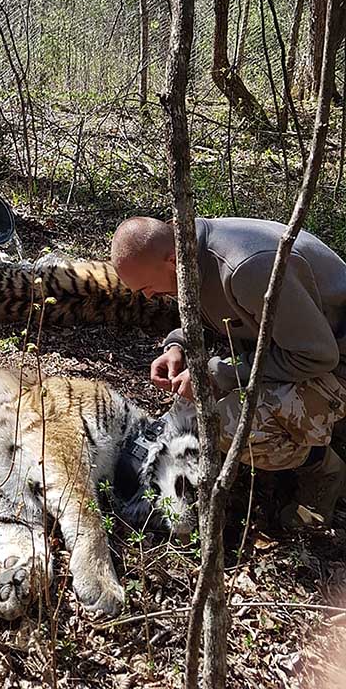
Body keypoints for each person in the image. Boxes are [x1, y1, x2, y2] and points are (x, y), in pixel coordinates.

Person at [110, 215, 346, 529]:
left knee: (220, 424)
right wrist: (176, 346)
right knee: (194, 402)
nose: (149, 298)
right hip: (302, 349)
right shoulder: (189, 249)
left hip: (333, 363)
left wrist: (220, 373)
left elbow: (317, 356)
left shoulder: (245, 268)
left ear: (171, 261)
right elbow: (216, 314)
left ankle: (323, 468)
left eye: (148, 288)